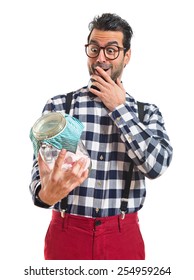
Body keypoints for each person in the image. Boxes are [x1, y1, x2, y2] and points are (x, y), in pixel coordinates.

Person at [29, 13, 173, 260]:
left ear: (127, 56)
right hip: (66, 233)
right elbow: (39, 175)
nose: (101, 58)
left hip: (123, 236)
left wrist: (120, 109)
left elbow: (156, 166)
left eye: (112, 50)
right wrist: (44, 196)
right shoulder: (59, 107)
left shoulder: (146, 113)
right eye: (94, 48)